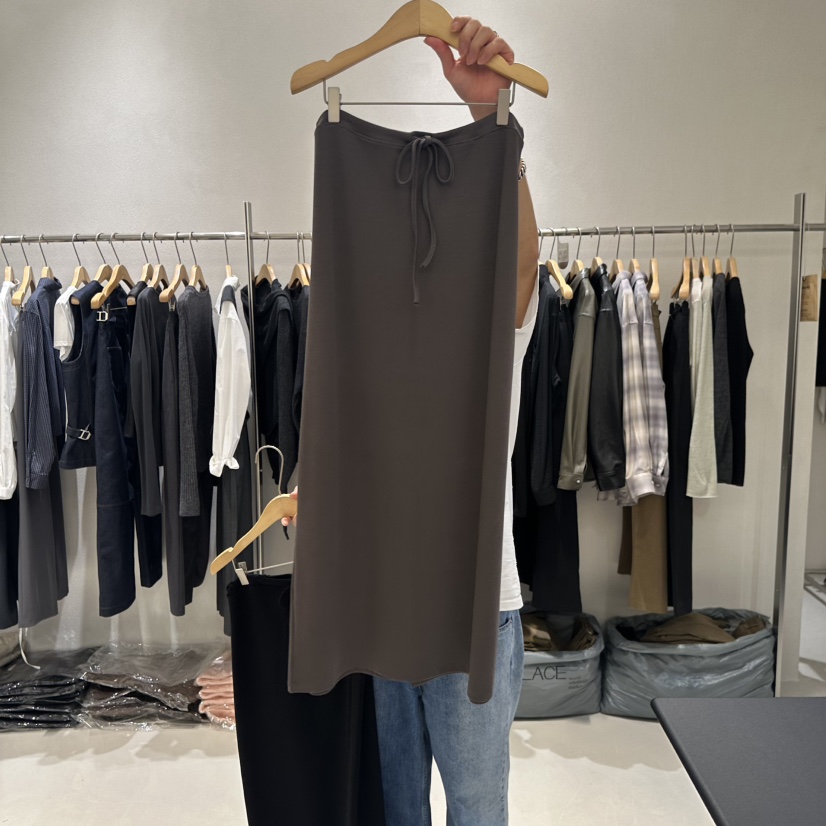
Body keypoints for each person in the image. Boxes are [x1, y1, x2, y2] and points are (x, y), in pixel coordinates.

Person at [281, 16, 539, 826]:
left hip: (474, 601)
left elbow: (522, 269)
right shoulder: (358, 328)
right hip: (381, 594)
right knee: (396, 806)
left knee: (474, 806)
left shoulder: (489, 326)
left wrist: (492, 125)